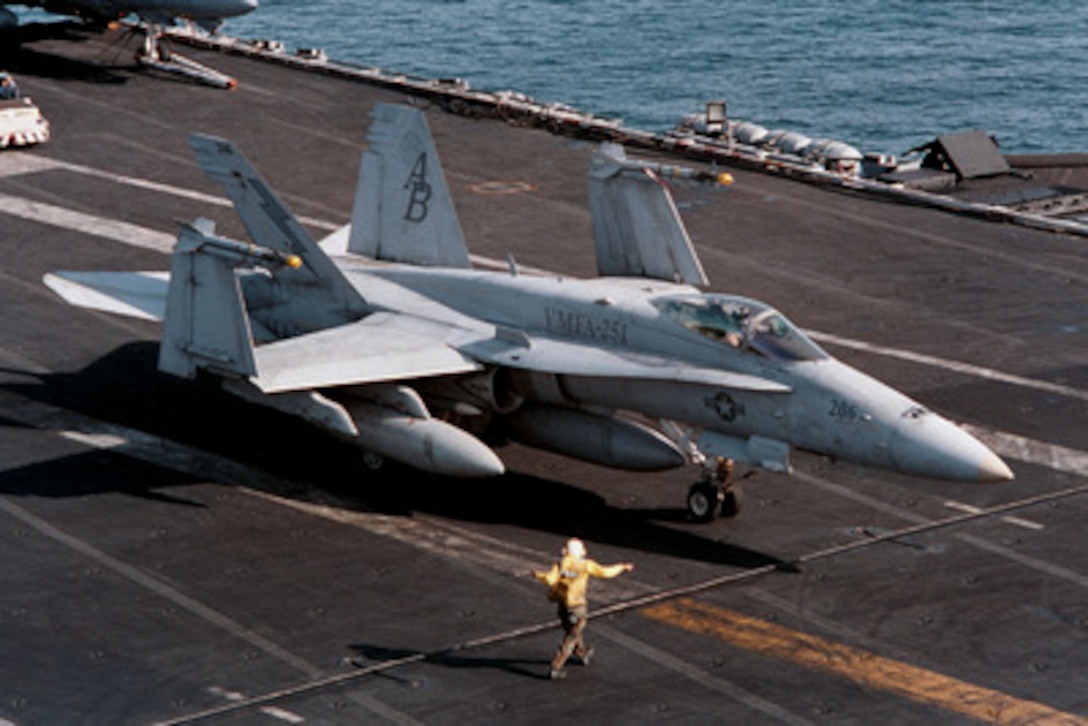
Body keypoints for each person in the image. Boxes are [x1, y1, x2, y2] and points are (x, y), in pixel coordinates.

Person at [532, 538, 634, 680]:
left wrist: (538, 575)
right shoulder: (585, 565)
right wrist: (622, 567)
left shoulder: (560, 564)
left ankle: (581, 653)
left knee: (573, 629)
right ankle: (556, 666)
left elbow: (550, 580)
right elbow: (605, 572)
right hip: (577, 606)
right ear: (581, 552)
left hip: (563, 605)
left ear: (565, 551)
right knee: (572, 636)